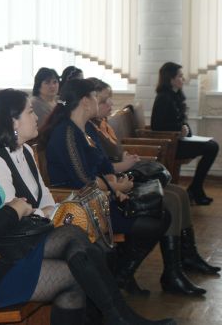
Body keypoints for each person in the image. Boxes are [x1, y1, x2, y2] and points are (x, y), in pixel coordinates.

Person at [0, 81, 174, 325]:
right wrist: (15, 209)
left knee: (73, 241)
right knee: (73, 266)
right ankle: (120, 317)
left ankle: (120, 317)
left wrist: (18, 211)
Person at [39, 79, 172, 296]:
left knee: (161, 212)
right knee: (156, 221)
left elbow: (104, 167)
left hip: (100, 197)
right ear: (85, 101)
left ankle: (121, 275)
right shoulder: (66, 133)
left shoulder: (86, 129)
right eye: (95, 97)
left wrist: (115, 184)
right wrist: (114, 187)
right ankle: (120, 275)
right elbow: (83, 181)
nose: (98, 101)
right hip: (82, 206)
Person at [89, 77, 216, 295]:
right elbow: (99, 168)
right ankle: (171, 273)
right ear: (88, 102)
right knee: (170, 200)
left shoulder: (102, 125)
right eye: (103, 101)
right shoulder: (88, 130)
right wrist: (122, 167)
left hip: (121, 177)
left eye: (109, 99)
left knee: (179, 193)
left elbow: (112, 156)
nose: (110, 104)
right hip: (116, 184)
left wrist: (126, 160)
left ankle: (187, 256)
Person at [151, 62, 220, 205]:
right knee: (212, 147)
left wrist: (186, 131)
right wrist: (179, 129)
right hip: (170, 146)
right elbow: (156, 126)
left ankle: (196, 188)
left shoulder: (174, 95)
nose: (183, 79)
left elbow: (180, 121)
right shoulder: (163, 98)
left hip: (178, 142)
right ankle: (196, 189)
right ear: (171, 79)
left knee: (212, 145)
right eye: (180, 76)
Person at [0, 88, 56, 218]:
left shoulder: (26, 150)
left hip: (39, 225)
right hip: (19, 229)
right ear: (13, 121)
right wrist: (43, 213)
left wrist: (51, 212)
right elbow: (10, 211)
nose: (36, 117)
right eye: (30, 112)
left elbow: (44, 195)